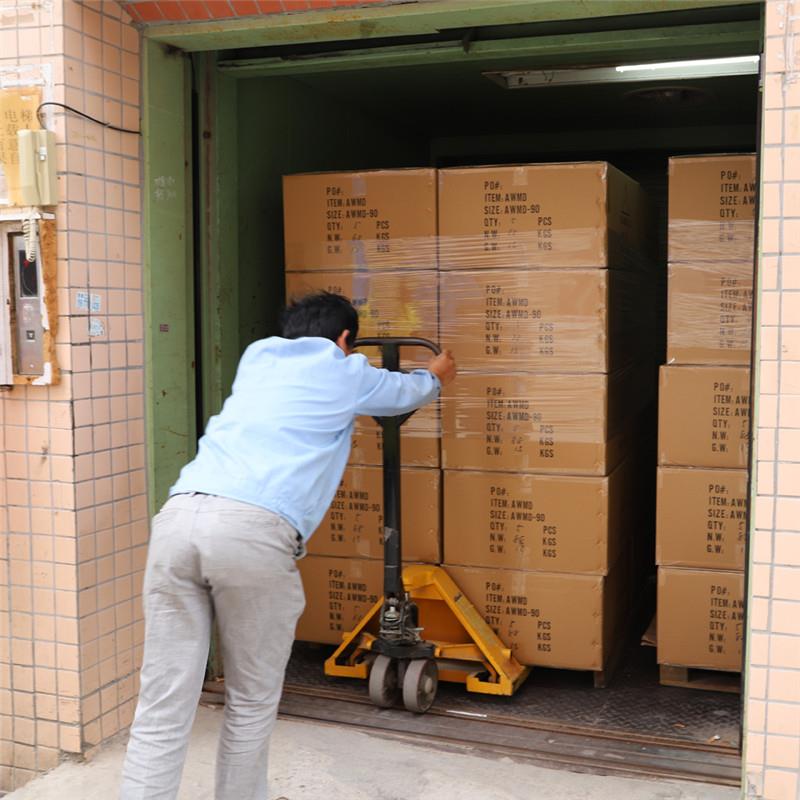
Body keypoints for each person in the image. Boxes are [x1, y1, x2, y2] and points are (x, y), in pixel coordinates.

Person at [119, 291, 457, 800]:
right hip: (250, 531)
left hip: (179, 518)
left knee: (162, 699)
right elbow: (402, 393)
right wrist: (436, 374)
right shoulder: (344, 369)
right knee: (251, 700)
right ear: (345, 339)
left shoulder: (257, 359)